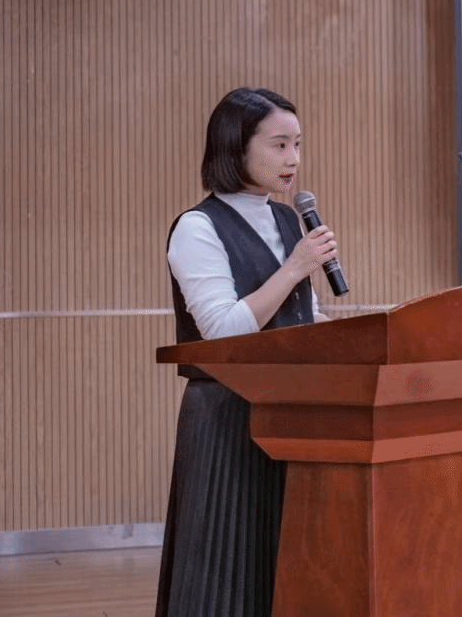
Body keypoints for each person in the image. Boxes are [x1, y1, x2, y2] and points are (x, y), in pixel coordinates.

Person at [156, 87, 339, 617]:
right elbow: (222, 333)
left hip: (292, 411)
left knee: (282, 562)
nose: (293, 159)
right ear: (236, 147)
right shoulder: (197, 228)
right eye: (279, 145)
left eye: (298, 144)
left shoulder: (286, 220)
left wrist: (366, 335)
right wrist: (296, 267)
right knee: (226, 566)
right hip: (228, 419)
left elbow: (299, 320)